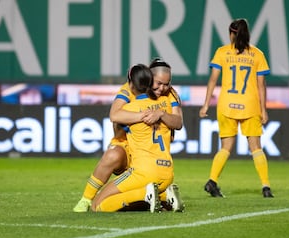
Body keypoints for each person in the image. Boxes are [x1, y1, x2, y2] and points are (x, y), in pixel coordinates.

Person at [73, 58, 184, 212]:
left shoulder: (168, 94)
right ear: (149, 79)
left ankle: (150, 195)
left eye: (167, 83)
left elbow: (178, 123)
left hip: (145, 160)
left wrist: (159, 114)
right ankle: (85, 199)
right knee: (113, 155)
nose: (163, 88)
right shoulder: (129, 90)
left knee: (100, 205)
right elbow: (114, 115)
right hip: (152, 159)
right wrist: (145, 115)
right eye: (159, 83)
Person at [199, 18, 273, 198]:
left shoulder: (222, 52)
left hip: (226, 105)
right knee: (256, 147)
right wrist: (264, 110)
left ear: (231, 33)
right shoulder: (257, 54)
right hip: (250, 105)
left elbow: (212, 80)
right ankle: (265, 187)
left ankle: (212, 180)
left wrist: (206, 104)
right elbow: (261, 85)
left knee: (225, 147)